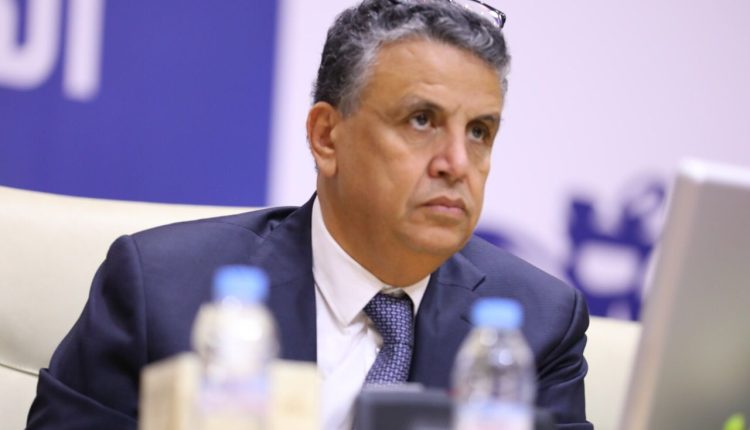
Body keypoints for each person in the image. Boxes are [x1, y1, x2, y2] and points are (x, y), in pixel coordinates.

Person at [27, 0, 592, 429]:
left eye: (479, 132)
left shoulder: (538, 326)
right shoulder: (162, 290)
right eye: (421, 120)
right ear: (326, 136)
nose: (456, 163)